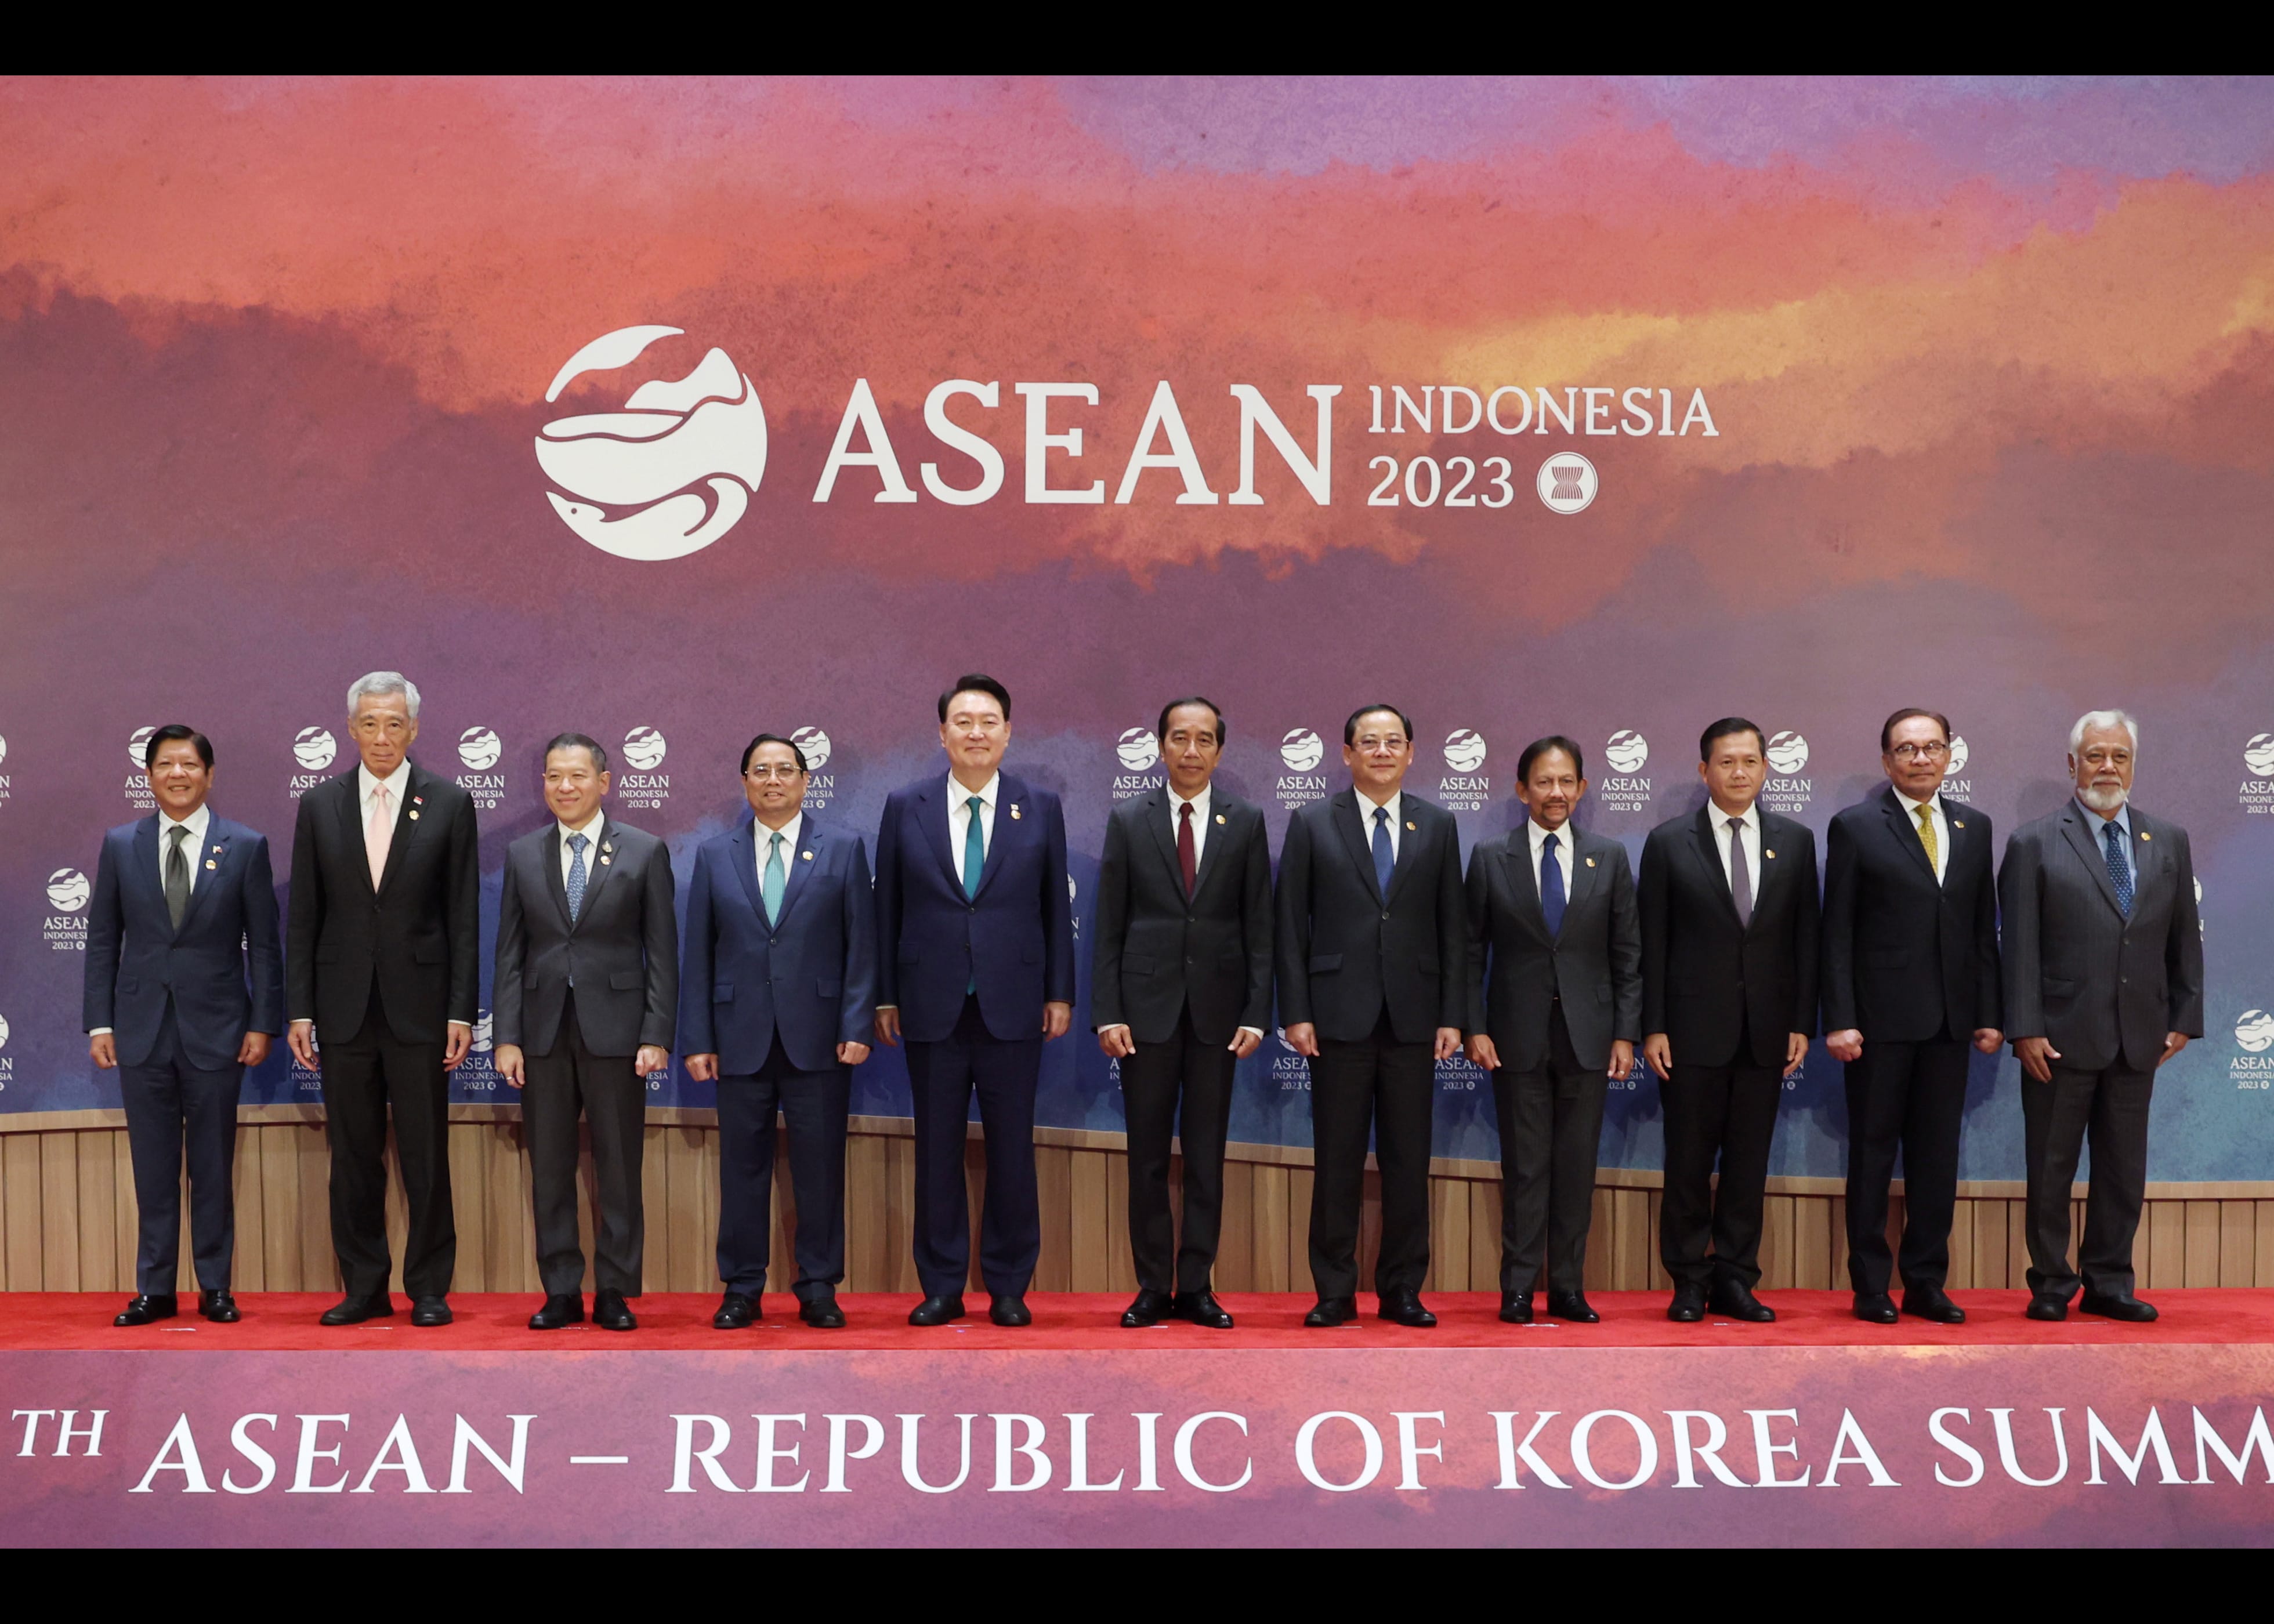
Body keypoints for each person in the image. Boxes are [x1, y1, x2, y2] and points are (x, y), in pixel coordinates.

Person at [874, 675, 1074, 1328]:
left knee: (1012, 1151)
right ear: (942, 734)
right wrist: (884, 996)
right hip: (929, 1005)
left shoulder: (1038, 806)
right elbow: (886, 910)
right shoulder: (905, 805)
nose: (976, 732)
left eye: (989, 721)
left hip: (1013, 1004)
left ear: (1008, 733)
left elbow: (1054, 907)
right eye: (963, 722)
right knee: (936, 1152)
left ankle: (1009, 1285)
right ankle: (941, 1285)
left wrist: (1059, 992)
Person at [285, 672, 479, 1327]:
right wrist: (301, 1009)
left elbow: (462, 916)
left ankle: (429, 1288)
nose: (382, 736)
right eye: (369, 723)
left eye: (394, 723)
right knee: (353, 1156)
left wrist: (460, 1010)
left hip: (420, 1008)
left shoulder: (449, 802)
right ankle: (364, 1286)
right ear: (351, 729)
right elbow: (304, 916)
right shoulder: (320, 804)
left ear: (414, 729)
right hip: (342, 1009)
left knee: (425, 1154)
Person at [1998, 709, 2201, 1322]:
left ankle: (2110, 1282)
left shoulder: (2168, 839)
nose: (2107, 767)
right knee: (2051, 1168)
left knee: (2122, 1169)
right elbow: (2018, 946)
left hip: (2139, 1035)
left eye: (2119, 756)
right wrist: (2024, 1027)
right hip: (2057, 1038)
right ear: (2072, 764)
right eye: (2094, 756)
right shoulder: (2033, 841)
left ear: (2132, 765)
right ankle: (2051, 1284)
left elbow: (2182, 936)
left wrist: (2184, 1014)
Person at [84, 725, 282, 1326]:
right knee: (153, 1167)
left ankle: (215, 1286)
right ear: (149, 775)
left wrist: (263, 1022)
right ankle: (156, 1289)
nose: (178, 774)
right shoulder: (122, 844)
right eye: (166, 764)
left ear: (209, 775)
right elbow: (102, 941)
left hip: (218, 1030)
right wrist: (99, 1022)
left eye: (190, 764)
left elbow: (264, 946)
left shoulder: (244, 845)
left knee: (213, 1165)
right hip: (140, 1029)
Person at [1276, 704, 1464, 1329]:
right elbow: (1288, 925)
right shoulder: (1312, 821)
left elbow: (1452, 927)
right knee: (1336, 1161)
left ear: (1410, 752)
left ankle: (1402, 1289)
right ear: (1347, 753)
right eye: (1369, 742)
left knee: (1408, 1163)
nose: (1381, 751)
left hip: (1414, 1018)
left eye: (1393, 742)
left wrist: (1452, 1014)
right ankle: (1334, 1290)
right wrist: (1295, 1010)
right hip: (1335, 1018)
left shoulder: (1437, 824)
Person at [682, 733, 875, 1329]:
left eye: (785, 770)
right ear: (744, 781)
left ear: (805, 780)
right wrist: (698, 1038)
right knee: (742, 1169)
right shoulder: (714, 855)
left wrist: (856, 1022)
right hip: (738, 1037)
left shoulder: (842, 848)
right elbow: (699, 954)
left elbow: (861, 947)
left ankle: (818, 1286)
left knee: (819, 1169)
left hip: (820, 1037)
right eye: (761, 770)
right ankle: (742, 1287)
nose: (773, 780)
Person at [1092, 697, 1272, 1329]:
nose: (1191, 750)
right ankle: (1151, 1286)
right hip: (1144, 1015)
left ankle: (1195, 1285)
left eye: (1204, 740)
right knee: (1145, 1156)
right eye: (1179, 738)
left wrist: (1256, 1011)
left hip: (1218, 1017)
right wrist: (1108, 1010)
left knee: (1205, 1156)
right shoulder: (1128, 818)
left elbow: (1259, 923)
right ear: (1161, 747)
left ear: (1219, 750)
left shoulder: (1245, 820)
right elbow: (1109, 923)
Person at [1821, 708, 2002, 1325]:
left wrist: (1988, 1012)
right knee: (1872, 1157)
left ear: (1949, 754)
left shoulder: (1974, 826)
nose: (1920, 758)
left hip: (1950, 1025)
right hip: (1876, 1026)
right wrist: (1840, 1017)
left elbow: (1981, 929)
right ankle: (1871, 1286)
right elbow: (1837, 931)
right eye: (1906, 749)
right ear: (1886, 760)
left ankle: (1925, 1282)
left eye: (1931, 747)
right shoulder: (1855, 827)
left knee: (1936, 1160)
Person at [493, 733, 678, 1333]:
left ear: (604, 782)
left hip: (619, 1034)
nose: (564, 787)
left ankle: (616, 1291)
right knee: (549, 1167)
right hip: (542, 1032)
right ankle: (562, 1290)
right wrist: (507, 1036)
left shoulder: (644, 851)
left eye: (576, 776)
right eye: (553, 776)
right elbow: (509, 953)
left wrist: (656, 1033)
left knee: (619, 1167)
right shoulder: (523, 854)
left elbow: (661, 952)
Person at [1639, 717, 1819, 1324]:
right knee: (1688, 1165)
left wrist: (1801, 1021)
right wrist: (1653, 1025)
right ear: (1704, 771)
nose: (1738, 772)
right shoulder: (1669, 842)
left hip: (1765, 1032)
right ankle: (1688, 1280)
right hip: (1689, 1033)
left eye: (1749, 761)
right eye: (1726, 762)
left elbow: (1805, 939)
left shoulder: (1795, 841)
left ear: (1765, 768)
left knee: (1747, 1165)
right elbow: (1651, 942)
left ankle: (1736, 1278)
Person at [1464, 735, 1641, 1325]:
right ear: (1523, 790)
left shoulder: (1608, 856)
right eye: (1543, 782)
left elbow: (1627, 953)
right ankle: (1517, 1288)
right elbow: (1469, 951)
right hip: (1514, 1035)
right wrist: (1473, 1026)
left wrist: (1625, 1033)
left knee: (1575, 1167)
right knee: (1525, 1168)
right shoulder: (1491, 856)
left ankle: (1567, 1287)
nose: (1556, 792)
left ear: (1582, 788)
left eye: (1566, 782)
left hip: (1589, 1036)